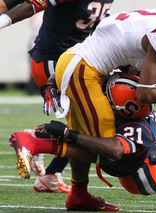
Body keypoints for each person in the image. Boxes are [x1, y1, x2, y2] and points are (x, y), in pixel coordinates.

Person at [37, 5, 156, 210]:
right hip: (85, 73)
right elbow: (145, 93)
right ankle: (37, 143)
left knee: (145, 179)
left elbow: (100, 44)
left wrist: (54, 79)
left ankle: (78, 196)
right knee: (108, 150)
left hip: (78, 65)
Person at [10, 74, 156, 211]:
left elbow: (114, 150)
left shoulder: (139, 129)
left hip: (129, 162)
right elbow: (67, 72)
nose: (105, 98)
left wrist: (67, 134)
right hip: (113, 139)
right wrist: (50, 87)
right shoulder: (124, 70)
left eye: (110, 98)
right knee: (82, 125)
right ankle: (73, 190)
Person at [0, 0, 115, 193]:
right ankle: (37, 138)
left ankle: (51, 175)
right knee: (88, 126)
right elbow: (31, 6)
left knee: (88, 124)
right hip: (52, 62)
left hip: (74, 60)